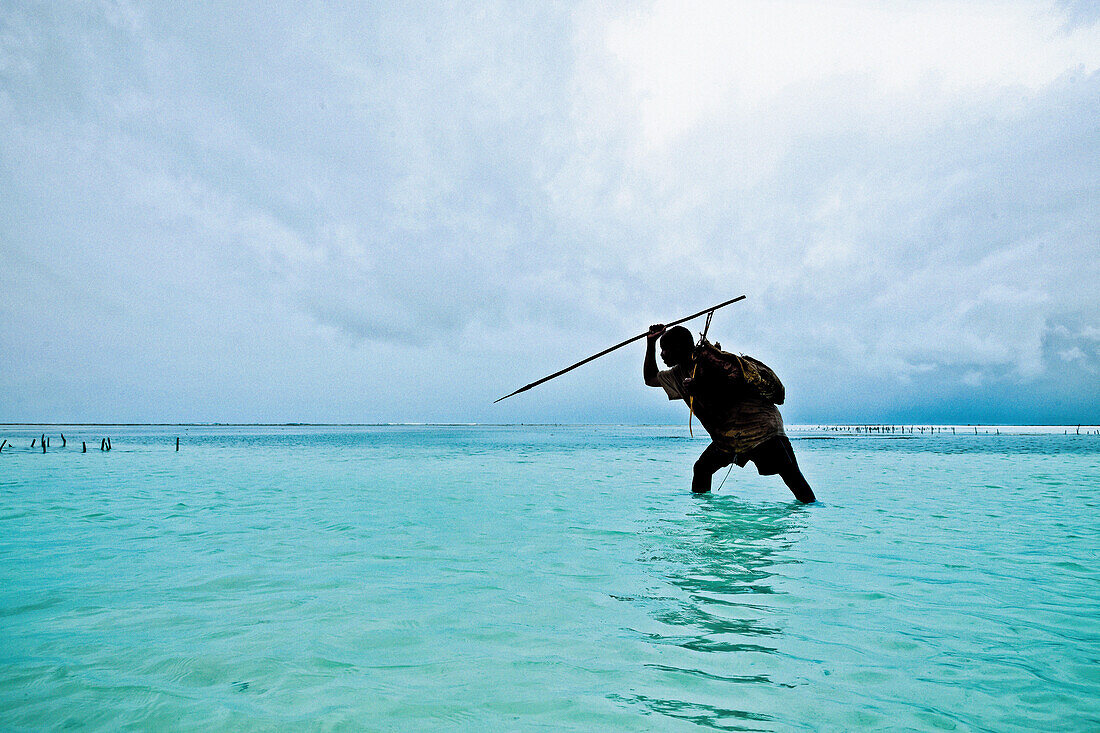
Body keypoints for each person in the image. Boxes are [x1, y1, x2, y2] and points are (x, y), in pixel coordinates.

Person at [643, 324, 816, 502]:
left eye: (665, 349)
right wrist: (651, 342)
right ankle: (703, 516)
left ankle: (812, 515)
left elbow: (734, 385)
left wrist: (701, 387)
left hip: (760, 429)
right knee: (702, 468)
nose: (662, 354)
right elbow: (650, 378)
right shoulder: (677, 374)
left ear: (679, 348)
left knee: (791, 475)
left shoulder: (710, 362)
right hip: (729, 437)